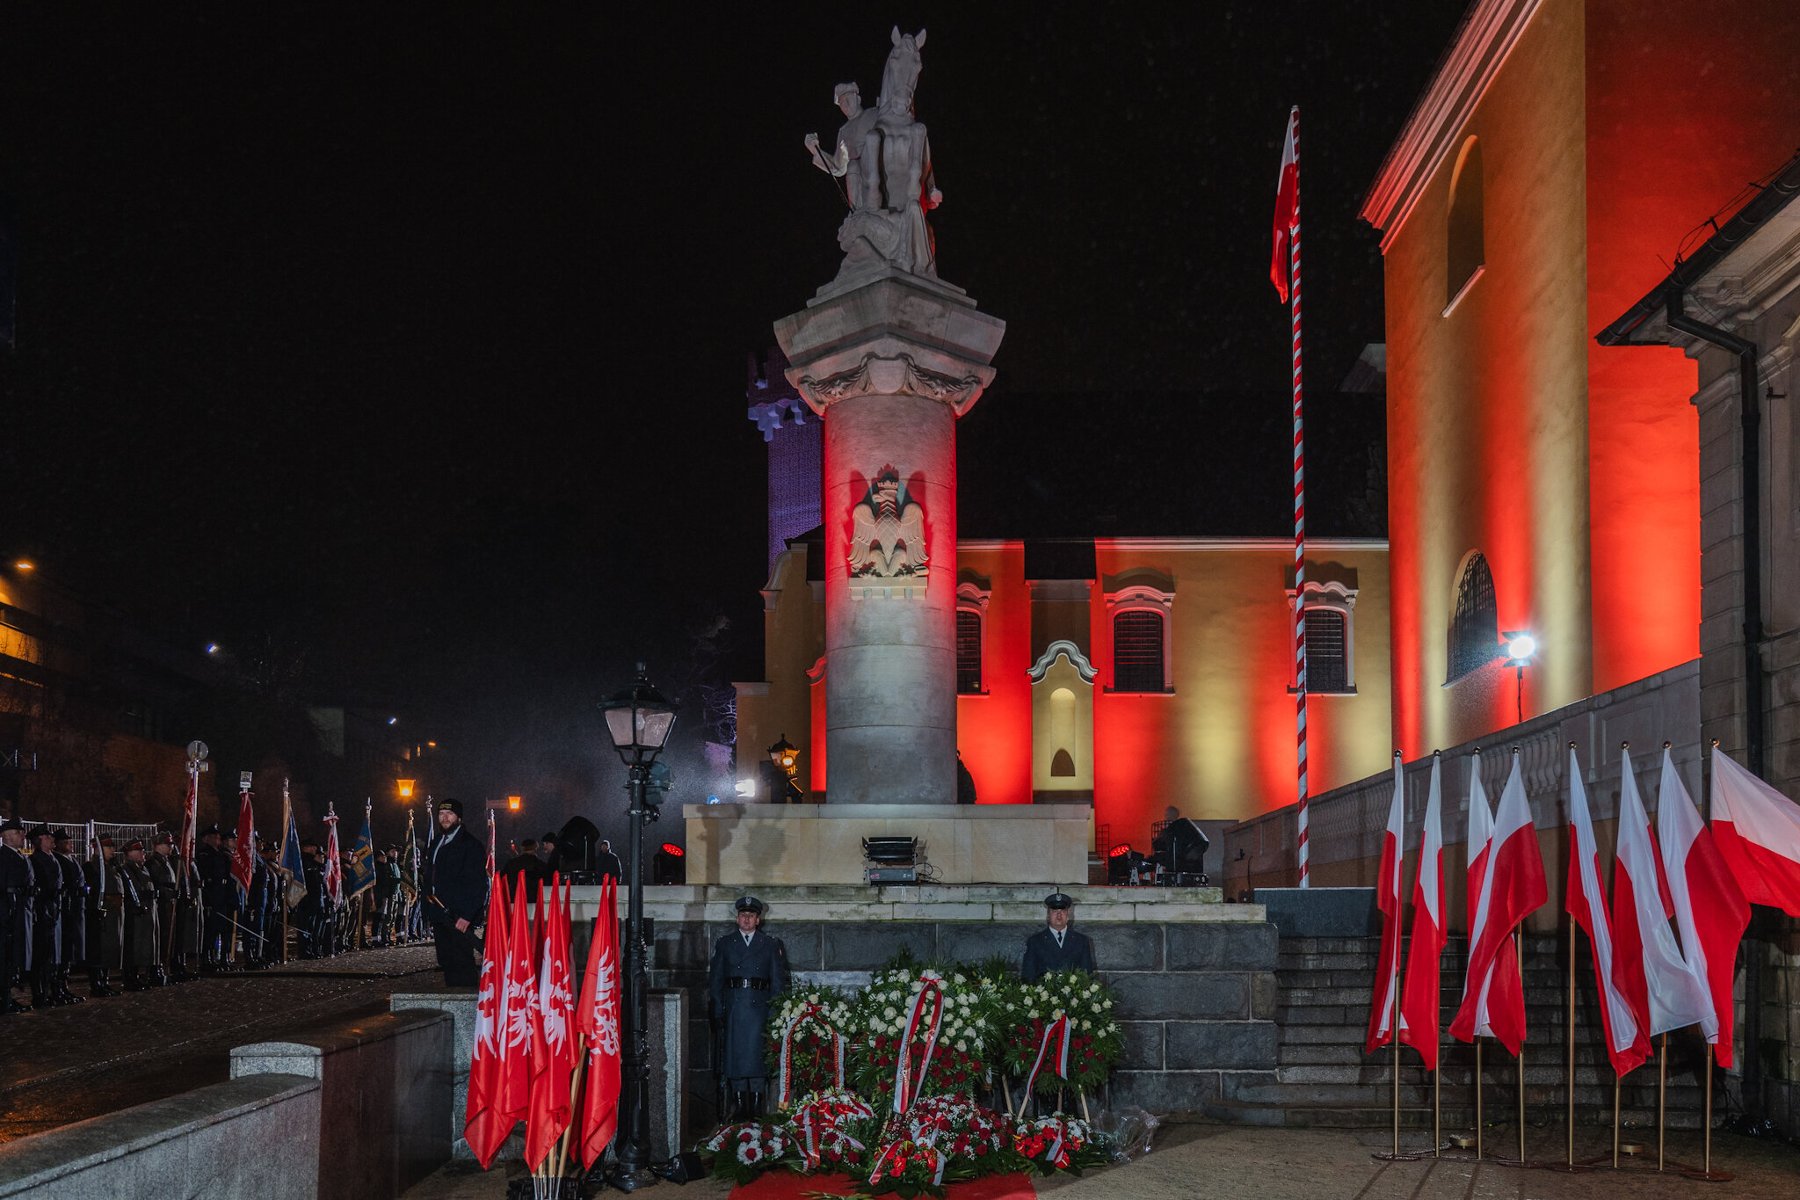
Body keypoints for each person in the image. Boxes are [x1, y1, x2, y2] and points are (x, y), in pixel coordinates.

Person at [708, 895, 788, 1119]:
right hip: (734, 1007)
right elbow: (716, 980)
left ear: (758, 920)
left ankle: (755, 1107)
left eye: (751, 916)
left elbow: (778, 982)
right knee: (735, 1059)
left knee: (757, 1059)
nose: (746, 919)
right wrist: (717, 1009)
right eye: (743, 915)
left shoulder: (770, 944)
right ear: (737, 918)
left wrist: (775, 1012)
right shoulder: (725, 944)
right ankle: (740, 1107)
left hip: (759, 1008)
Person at [422, 799, 486, 987]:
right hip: (438, 912)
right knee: (446, 960)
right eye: (441, 814)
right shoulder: (436, 842)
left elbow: (477, 884)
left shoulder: (470, 845)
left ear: (459, 817)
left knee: (462, 961)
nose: (445, 818)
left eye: (449, 814)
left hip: (458, 914)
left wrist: (467, 915)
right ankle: (451, 999)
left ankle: (467, 1004)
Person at [804, 82, 878, 210]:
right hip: (858, 178)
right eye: (842, 103)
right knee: (852, 165)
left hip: (879, 167)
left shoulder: (874, 114)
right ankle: (857, 213)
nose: (846, 105)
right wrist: (816, 151)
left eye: (848, 99)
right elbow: (838, 167)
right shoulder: (844, 131)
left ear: (858, 99)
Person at [25, 825, 63, 1007]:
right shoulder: (36, 860)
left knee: (49, 954)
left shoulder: (52, 859)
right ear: (39, 840)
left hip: (53, 909)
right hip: (42, 911)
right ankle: (38, 993)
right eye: (47, 837)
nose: (51, 839)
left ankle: (47, 990)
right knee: (40, 955)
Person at [1021, 891, 1097, 983]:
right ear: (1048, 915)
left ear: (1068, 915)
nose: (1059, 915)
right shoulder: (1035, 942)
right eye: (1054, 911)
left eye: (1062, 911)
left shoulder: (1081, 941)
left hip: (1073, 996)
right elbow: (1028, 976)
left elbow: (1087, 976)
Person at [118, 840, 159, 991]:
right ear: (130, 853)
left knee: (143, 945)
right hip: (134, 912)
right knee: (133, 946)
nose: (143, 853)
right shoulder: (127, 869)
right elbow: (131, 890)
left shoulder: (142, 868)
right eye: (139, 850)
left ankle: (139, 976)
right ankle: (130, 977)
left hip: (146, 910)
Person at [84, 836, 122, 996]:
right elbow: (90, 891)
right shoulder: (91, 867)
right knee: (98, 949)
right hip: (98, 914)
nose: (113, 851)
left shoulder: (111, 866)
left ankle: (104, 981)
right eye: (109, 847)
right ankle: (96, 983)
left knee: (107, 949)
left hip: (112, 913)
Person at [0, 819, 31, 1013]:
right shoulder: (4, 856)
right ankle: (4, 998)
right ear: (6, 835)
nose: (23, 835)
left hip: (17, 911)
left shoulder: (18, 856)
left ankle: (7, 996)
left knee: (12, 956)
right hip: (6, 915)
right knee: (5, 957)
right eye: (18, 832)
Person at [52, 830, 87, 1003]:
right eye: (66, 841)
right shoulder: (58, 860)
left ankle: (64, 985)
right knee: (64, 949)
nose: (70, 844)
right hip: (66, 910)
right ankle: (58, 986)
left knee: (70, 950)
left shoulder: (71, 860)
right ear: (57, 844)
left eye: (70, 841)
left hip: (76, 909)